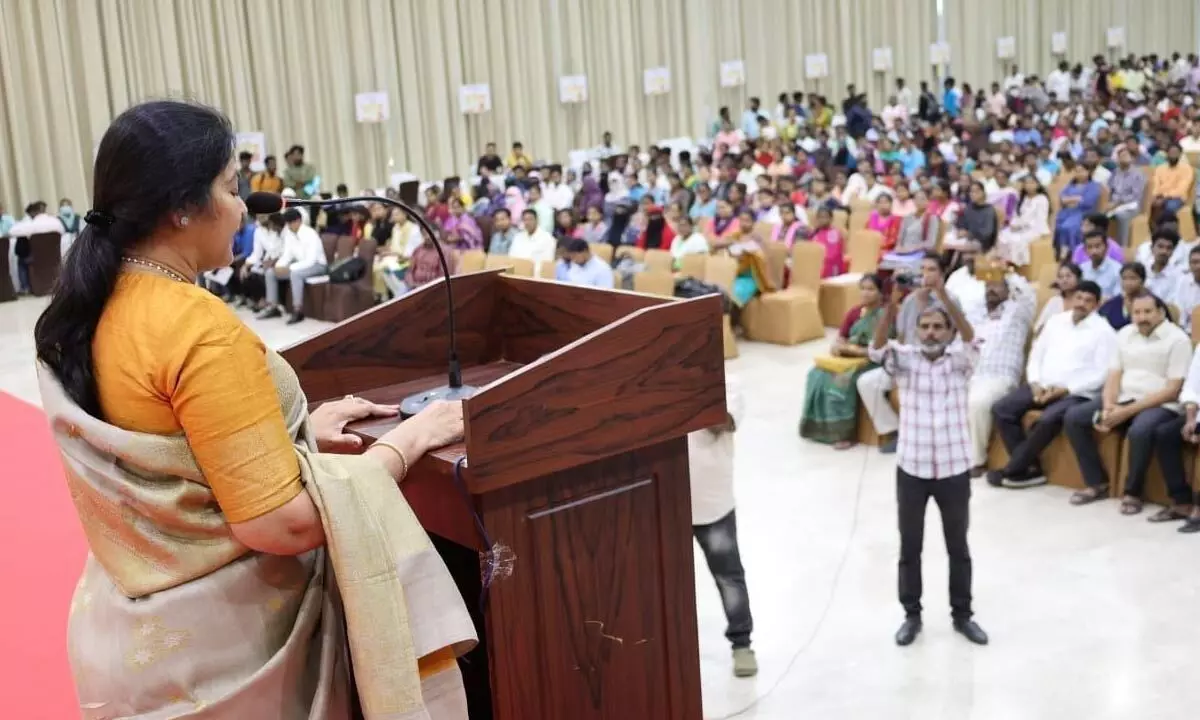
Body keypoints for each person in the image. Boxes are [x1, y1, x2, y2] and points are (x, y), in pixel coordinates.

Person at [31, 100, 474, 717]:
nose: (245, 208)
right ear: (183, 207)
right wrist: (406, 443)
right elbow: (279, 524)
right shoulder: (198, 329)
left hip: (136, 635)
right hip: (227, 652)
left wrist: (291, 438)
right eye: (234, 189)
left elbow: (174, 445)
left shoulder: (95, 303)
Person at [868, 272, 988, 647]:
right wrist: (892, 305)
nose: (932, 332)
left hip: (953, 469)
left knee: (958, 547)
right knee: (910, 547)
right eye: (926, 326)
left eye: (939, 326)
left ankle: (963, 615)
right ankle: (911, 615)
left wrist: (941, 295)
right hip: (913, 469)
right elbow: (875, 349)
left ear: (948, 331)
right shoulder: (905, 360)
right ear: (916, 330)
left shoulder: (960, 361)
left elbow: (971, 338)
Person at [1064, 291, 1191, 511]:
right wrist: (1108, 406)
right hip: (1124, 396)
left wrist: (1126, 412)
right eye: (1137, 312)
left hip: (1159, 403)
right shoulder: (1124, 334)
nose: (1142, 317)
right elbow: (1114, 374)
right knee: (1074, 417)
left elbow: (1172, 390)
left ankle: (1133, 492)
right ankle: (1097, 482)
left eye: (1148, 312)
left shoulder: (1178, 339)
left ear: (1161, 312)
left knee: (1140, 430)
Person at [989, 281, 1116, 488]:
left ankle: (1012, 469)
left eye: (1088, 301)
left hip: (1076, 392)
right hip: (1043, 386)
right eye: (1079, 298)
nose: (1082, 303)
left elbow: (1102, 373)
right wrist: (1036, 382)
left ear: (1097, 305)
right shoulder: (1056, 321)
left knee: (1047, 420)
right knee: (1002, 409)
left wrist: (1066, 389)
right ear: (1072, 298)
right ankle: (1030, 469)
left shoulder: (1104, 332)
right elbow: (1036, 354)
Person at [688, 376, 757, 677]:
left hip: (712, 504)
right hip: (665, 499)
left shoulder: (727, 382)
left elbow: (721, 422)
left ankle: (741, 644)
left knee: (728, 577)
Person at [799, 274, 888, 447]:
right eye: (862, 289)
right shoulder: (855, 313)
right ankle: (817, 428)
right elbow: (841, 338)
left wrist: (856, 351)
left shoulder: (885, 316)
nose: (865, 293)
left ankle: (843, 434)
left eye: (871, 289)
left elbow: (882, 349)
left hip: (872, 360)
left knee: (840, 382)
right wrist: (838, 347)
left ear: (880, 293)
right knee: (816, 374)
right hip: (848, 358)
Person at [964, 263, 1036, 475]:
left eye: (997, 286)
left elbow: (1026, 294)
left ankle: (977, 461)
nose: (991, 290)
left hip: (1000, 377)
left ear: (1009, 290)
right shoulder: (979, 314)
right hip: (972, 373)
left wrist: (1006, 271)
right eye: (988, 286)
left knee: (977, 403)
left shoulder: (1017, 313)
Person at [258, 208, 328, 324]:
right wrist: (279, 267)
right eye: (288, 223)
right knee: (271, 272)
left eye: (291, 222)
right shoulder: (290, 234)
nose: (290, 226)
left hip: (318, 266)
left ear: (299, 221)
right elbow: (287, 255)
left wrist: (290, 268)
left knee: (295, 274)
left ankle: (298, 310)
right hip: (300, 265)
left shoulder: (310, 234)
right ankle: (273, 307)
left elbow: (310, 260)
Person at [1169, 351, 1200, 532]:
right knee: (1166, 434)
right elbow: (1191, 386)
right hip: (1197, 413)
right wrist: (1191, 419)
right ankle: (1182, 501)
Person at [1054, 164, 1102, 257]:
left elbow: (1088, 202)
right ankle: (1063, 252)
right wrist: (1077, 198)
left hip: (1085, 213)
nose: (1079, 173)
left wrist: (1071, 200)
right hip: (1068, 212)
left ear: (1088, 172)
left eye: (1082, 171)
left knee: (1069, 227)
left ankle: (1074, 253)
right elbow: (1062, 199)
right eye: (1077, 171)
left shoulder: (1093, 186)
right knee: (1059, 225)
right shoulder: (1070, 185)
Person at [1108, 147, 1148, 246]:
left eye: (1126, 156)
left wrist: (1117, 203)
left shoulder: (1137, 174)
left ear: (1132, 159)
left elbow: (1136, 195)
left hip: (1131, 206)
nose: (1124, 158)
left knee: (1121, 216)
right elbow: (1109, 189)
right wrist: (1108, 203)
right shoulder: (1115, 172)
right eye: (1121, 156)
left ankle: (1122, 246)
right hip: (1114, 204)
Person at [1150, 144, 1193, 228]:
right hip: (1160, 196)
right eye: (1171, 152)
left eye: (1176, 152)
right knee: (1148, 205)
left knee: (1170, 206)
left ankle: (1167, 231)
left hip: (1177, 198)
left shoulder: (1186, 169)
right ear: (1167, 154)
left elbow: (1181, 190)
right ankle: (1152, 231)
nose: (1173, 154)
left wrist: (1164, 198)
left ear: (1180, 154)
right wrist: (1155, 196)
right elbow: (1156, 185)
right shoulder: (1160, 168)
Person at [1034, 261, 1083, 333]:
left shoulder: (1083, 301)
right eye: (1061, 277)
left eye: (1068, 276)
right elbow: (1039, 327)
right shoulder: (1054, 301)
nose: (1064, 280)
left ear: (1078, 279)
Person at [1099, 262, 1149, 330]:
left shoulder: (1152, 302)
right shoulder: (1113, 303)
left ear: (1143, 280)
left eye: (1133, 278)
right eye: (1124, 278)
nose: (1128, 283)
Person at [509, 208, 556, 274]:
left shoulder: (547, 238)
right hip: (517, 273)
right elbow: (511, 257)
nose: (527, 222)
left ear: (537, 220)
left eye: (530, 219)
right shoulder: (518, 237)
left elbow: (548, 262)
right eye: (525, 220)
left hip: (536, 276)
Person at [1079, 230, 1124, 299]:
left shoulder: (1118, 270)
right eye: (1089, 247)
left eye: (1097, 246)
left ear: (1106, 247)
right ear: (1085, 250)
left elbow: (1118, 298)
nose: (1094, 251)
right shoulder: (1081, 268)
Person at [1142, 226, 1183, 300]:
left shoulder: (1179, 277)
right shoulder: (1142, 271)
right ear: (1151, 248)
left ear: (1173, 251)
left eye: (1169, 248)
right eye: (1160, 246)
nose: (1164, 251)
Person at [1172, 245, 1200, 332]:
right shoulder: (1183, 281)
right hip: (1187, 333)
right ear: (1189, 265)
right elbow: (1180, 315)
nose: (1198, 266)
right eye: (1195, 262)